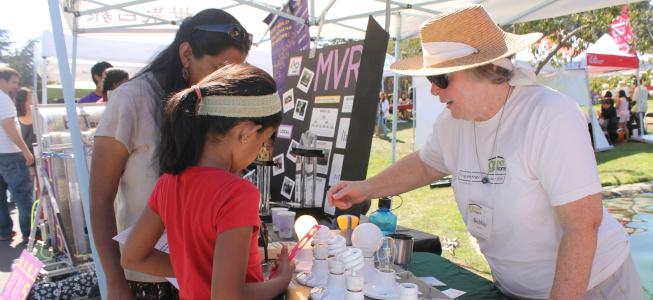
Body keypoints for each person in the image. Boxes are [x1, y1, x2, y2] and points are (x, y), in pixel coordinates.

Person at [327, 5, 641, 300]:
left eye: (441, 78)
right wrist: (365, 188)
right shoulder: (453, 124)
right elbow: (425, 165)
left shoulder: (549, 115)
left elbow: (582, 224)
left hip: (591, 286)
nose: (434, 90)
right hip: (514, 288)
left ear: (487, 70)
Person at [90, 9, 251, 299]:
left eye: (233, 74)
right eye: (218, 68)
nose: (225, 83)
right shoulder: (131, 100)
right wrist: (114, 282)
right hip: (147, 278)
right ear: (187, 54)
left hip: (203, 275)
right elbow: (100, 199)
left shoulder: (213, 102)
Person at [121, 63, 293, 300]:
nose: (261, 150)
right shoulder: (238, 193)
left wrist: (196, 273)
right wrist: (281, 282)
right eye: (263, 142)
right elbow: (227, 297)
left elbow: (132, 256)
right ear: (246, 133)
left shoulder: (168, 182)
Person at [0, 67, 33, 242]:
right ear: (2, 80)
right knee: (23, 195)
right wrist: (25, 150)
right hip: (9, 153)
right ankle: (29, 233)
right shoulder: (3, 99)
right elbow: (9, 126)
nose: (15, 87)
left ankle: (4, 231)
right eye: (13, 82)